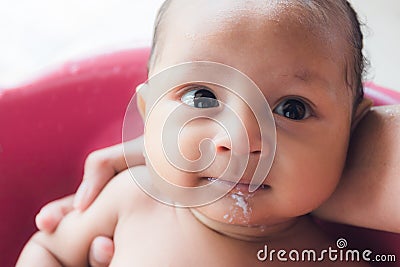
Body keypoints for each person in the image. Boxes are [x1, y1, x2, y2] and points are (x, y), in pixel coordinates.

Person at [17, 0, 398, 265]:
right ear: (150, 115)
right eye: (202, 97)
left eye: (292, 110)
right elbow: (49, 252)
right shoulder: (131, 199)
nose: (237, 141)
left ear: (352, 131)